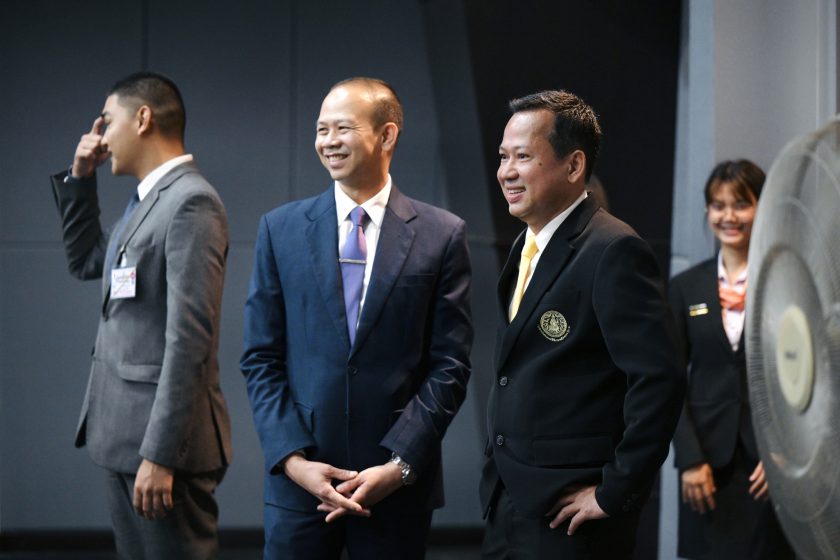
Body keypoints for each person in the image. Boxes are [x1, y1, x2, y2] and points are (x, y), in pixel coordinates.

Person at [241, 77, 473, 560]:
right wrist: (293, 461)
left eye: (342, 128)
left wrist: (400, 464)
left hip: (396, 486)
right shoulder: (280, 229)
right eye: (321, 129)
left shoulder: (442, 234)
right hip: (300, 485)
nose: (328, 141)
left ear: (387, 135)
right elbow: (260, 358)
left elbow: (450, 364)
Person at [478, 89, 685, 559]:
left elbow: (659, 380)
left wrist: (615, 492)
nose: (506, 171)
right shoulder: (525, 245)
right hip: (507, 503)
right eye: (503, 156)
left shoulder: (613, 249)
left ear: (574, 166)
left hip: (571, 517)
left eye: (523, 156)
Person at [50, 72, 232, 559]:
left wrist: (160, 454)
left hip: (161, 447)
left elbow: (190, 341)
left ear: (143, 118)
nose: (100, 137)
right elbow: (85, 260)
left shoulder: (191, 202)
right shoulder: (146, 203)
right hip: (125, 438)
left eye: (107, 121)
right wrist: (79, 179)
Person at [670, 160, 794, 559]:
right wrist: (689, 459)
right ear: (707, 211)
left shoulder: (787, 282)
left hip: (769, 467)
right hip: (706, 468)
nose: (728, 216)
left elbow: (809, 379)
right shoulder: (685, 288)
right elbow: (669, 382)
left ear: (761, 207)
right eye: (718, 205)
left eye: (741, 204)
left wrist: (784, 453)